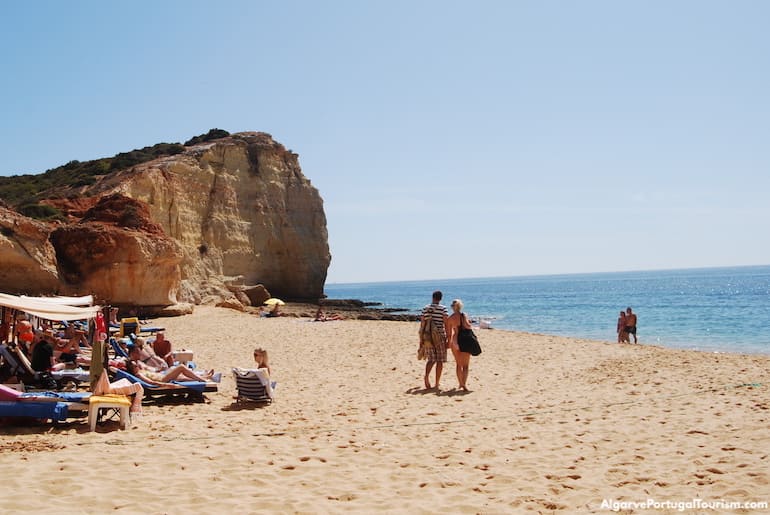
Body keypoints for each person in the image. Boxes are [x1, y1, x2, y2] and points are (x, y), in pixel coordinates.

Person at [126, 346, 214, 385]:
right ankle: (202, 379)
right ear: (133, 353)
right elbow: (152, 382)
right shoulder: (138, 372)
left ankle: (205, 376)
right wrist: (168, 385)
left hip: (161, 375)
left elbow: (150, 373)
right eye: (137, 352)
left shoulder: (138, 364)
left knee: (181, 376)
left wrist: (158, 370)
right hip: (162, 379)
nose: (140, 353)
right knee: (181, 367)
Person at [419, 290, 448, 390]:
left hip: (428, 336)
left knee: (431, 359)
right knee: (440, 360)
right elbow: (446, 323)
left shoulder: (425, 308)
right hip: (439, 336)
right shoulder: (443, 309)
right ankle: (436, 383)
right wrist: (448, 337)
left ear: (432, 297)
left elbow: (422, 324)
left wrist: (421, 338)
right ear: (440, 298)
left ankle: (426, 376)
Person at [446, 299, 474, 391]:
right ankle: (464, 384)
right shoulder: (463, 315)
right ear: (460, 306)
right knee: (465, 365)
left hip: (455, 341)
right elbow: (468, 326)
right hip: (464, 340)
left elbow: (449, 333)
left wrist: (448, 343)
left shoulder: (450, 318)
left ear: (452, 307)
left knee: (458, 364)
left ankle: (460, 383)